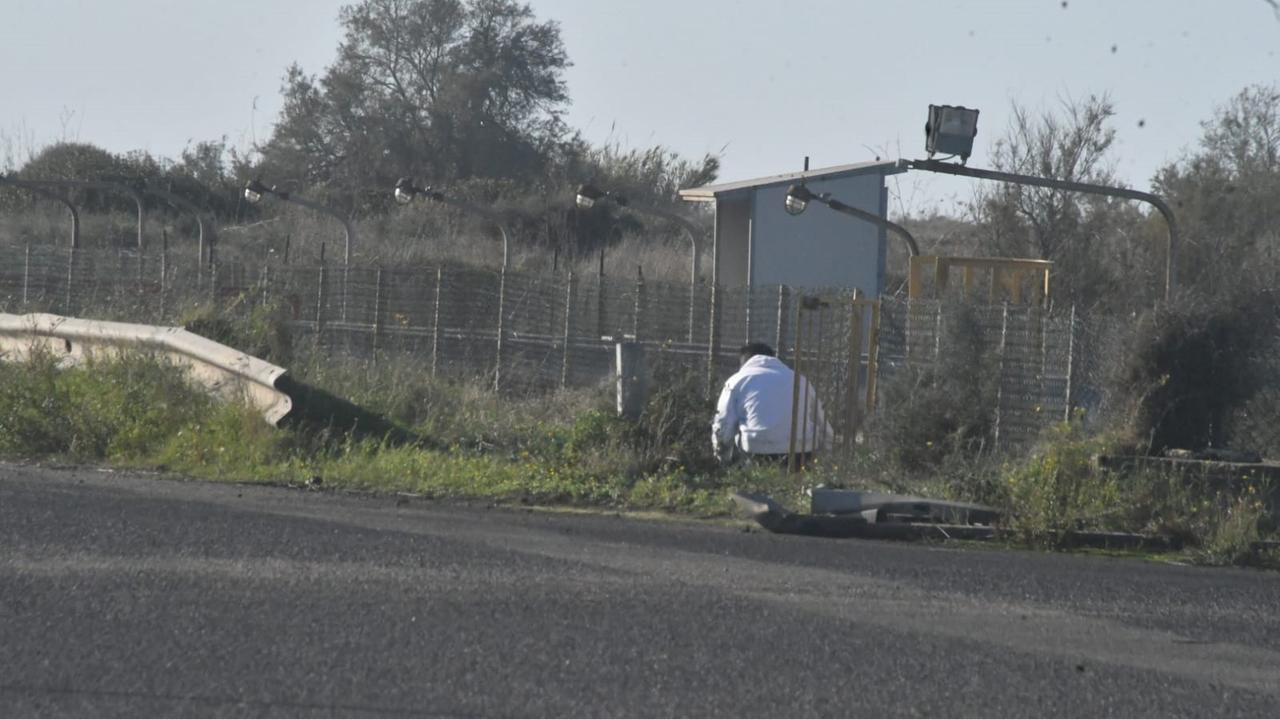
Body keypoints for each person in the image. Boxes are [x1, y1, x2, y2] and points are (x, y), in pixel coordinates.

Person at [711, 342, 833, 468]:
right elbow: (821, 420)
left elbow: (723, 424)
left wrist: (722, 459)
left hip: (757, 450)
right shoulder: (800, 380)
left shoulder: (737, 380)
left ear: (744, 362)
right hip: (800, 451)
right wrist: (829, 452)